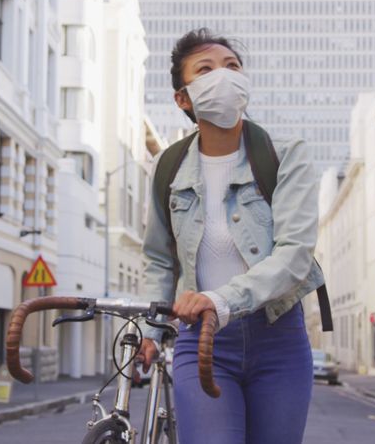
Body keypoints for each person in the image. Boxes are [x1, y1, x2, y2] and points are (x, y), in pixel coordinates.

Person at [137, 28, 324, 444]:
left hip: (279, 338)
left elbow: (295, 254)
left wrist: (221, 300)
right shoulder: (167, 169)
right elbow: (159, 260)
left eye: (232, 66)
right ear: (183, 98)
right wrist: (150, 333)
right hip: (201, 342)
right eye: (206, 69)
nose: (224, 76)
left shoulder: (285, 154)